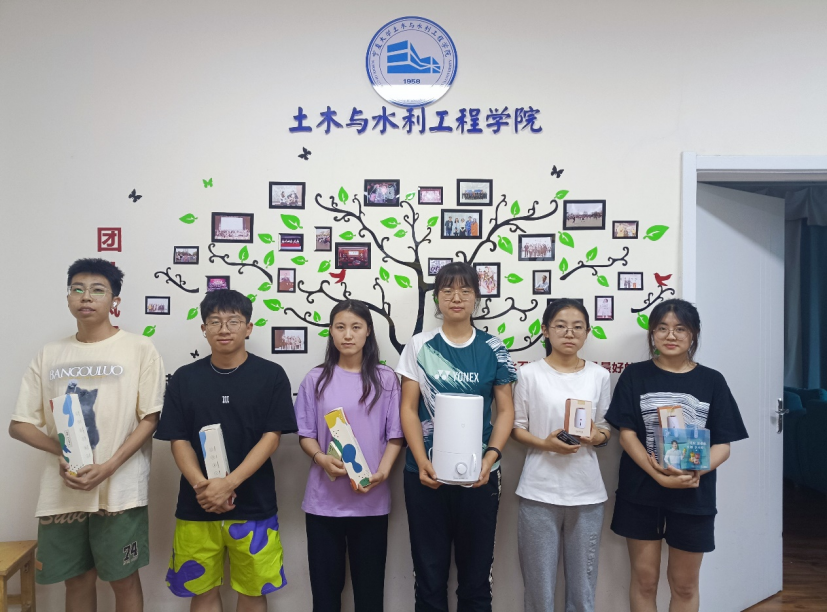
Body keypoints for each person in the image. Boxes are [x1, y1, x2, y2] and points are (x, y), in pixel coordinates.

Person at [9, 258, 165, 612]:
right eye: (77, 289)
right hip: (64, 489)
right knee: (77, 579)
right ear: (68, 297)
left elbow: (150, 418)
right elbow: (19, 424)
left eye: (97, 290)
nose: (86, 297)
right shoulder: (50, 353)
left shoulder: (140, 349)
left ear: (114, 300)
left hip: (120, 490)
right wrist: (62, 452)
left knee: (123, 579)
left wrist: (108, 466)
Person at [155, 290, 297, 612]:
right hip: (198, 505)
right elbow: (178, 440)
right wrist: (203, 488)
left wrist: (228, 484)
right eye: (214, 321)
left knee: (253, 592)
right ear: (203, 329)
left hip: (255, 506)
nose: (224, 329)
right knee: (202, 591)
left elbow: (272, 437)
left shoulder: (271, 375)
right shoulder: (184, 378)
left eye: (233, 321)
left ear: (248, 328)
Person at [605, 298, 748, 612]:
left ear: (693, 334)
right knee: (645, 581)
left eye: (680, 329)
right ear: (652, 334)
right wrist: (657, 474)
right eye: (662, 328)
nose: (670, 335)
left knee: (684, 585)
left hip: (693, 495)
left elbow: (723, 445)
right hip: (641, 491)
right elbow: (626, 434)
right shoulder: (635, 376)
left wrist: (694, 472)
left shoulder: (712, 380)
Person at [397, 262, 517, 612]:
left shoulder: (493, 347)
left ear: (476, 298)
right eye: (447, 290)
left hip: (480, 477)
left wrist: (490, 457)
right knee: (429, 577)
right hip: (424, 475)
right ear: (437, 297)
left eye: (465, 290)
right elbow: (408, 409)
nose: (456, 297)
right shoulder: (419, 345)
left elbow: (505, 411)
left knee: (476, 580)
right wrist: (422, 461)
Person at [295, 300, 404, 612]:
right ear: (331, 331)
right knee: (325, 595)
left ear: (368, 331)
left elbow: (396, 435)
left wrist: (382, 473)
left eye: (356, 327)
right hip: (323, 503)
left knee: (369, 594)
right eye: (340, 327)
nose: (348, 335)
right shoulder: (315, 379)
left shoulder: (386, 378)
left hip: (371, 500)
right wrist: (320, 458)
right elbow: (306, 434)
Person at [511, 299, 612, 612]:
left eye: (577, 327)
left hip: (586, 493)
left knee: (583, 590)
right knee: (539, 589)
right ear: (545, 330)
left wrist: (597, 436)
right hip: (539, 491)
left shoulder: (599, 375)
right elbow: (516, 428)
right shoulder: (528, 374)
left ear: (587, 332)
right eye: (560, 326)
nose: (569, 333)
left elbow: (605, 427)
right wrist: (546, 444)